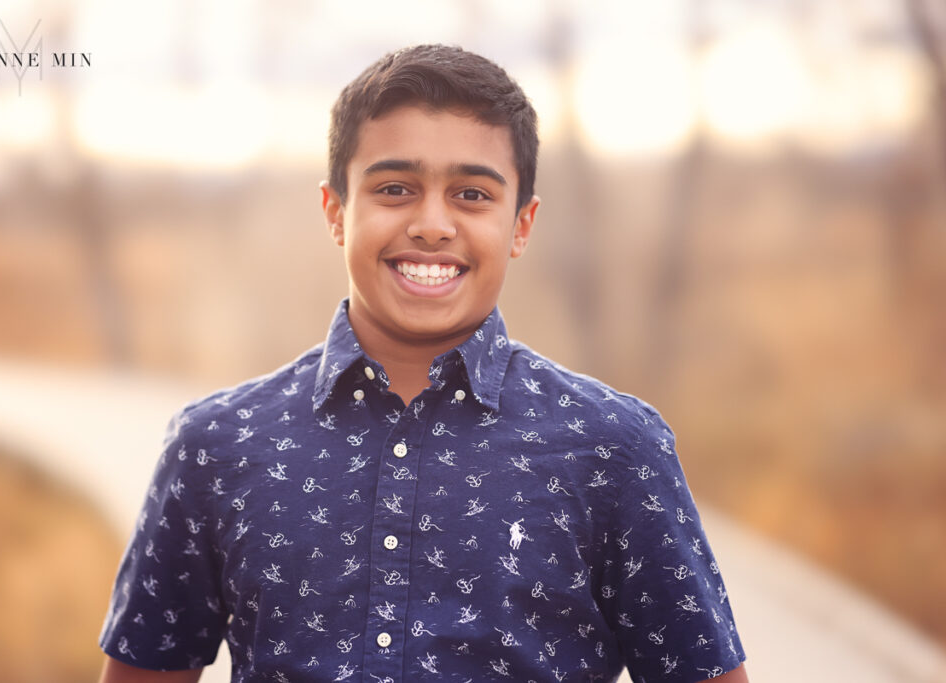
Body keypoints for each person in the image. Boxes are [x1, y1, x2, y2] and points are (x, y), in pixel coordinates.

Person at [98, 44, 748, 683]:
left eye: (471, 194)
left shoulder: (614, 449)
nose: (432, 224)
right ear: (335, 211)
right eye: (395, 188)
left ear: (521, 224)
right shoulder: (214, 449)